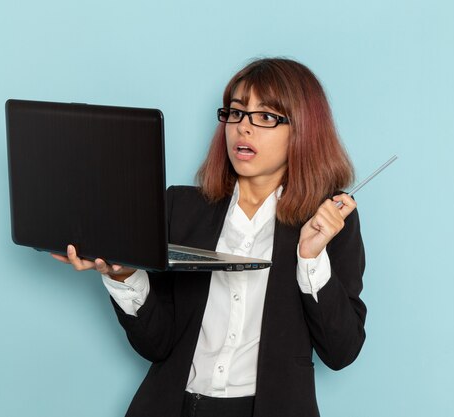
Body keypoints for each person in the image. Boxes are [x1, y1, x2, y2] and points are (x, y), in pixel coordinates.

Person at [52, 57, 367, 417]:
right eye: (236, 112)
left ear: (303, 131)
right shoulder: (181, 207)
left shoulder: (328, 222)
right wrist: (122, 274)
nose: (243, 128)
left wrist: (311, 258)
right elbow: (158, 343)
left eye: (265, 117)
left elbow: (342, 351)